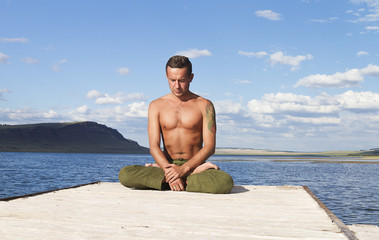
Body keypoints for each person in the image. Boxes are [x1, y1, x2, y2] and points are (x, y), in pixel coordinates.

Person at [119, 55, 234, 194]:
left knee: (224, 182)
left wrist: (184, 170)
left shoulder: (205, 105)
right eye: (172, 80)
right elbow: (154, 146)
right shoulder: (156, 106)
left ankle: (167, 179)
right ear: (166, 76)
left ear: (191, 77)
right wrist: (169, 171)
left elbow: (209, 147)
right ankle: (181, 179)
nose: (177, 86)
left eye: (182, 80)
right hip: (167, 165)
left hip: (193, 165)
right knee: (125, 174)